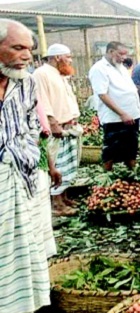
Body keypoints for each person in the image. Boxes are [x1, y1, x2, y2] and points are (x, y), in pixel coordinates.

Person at [0, 18, 51, 313]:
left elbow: (33, 123)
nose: (26, 56)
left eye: (29, 49)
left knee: (27, 251)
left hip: (25, 179)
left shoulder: (26, 82)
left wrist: (30, 157)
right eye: (17, 47)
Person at [33, 43, 81, 217]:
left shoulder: (61, 74)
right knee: (57, 165)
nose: (69, 60)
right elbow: (41, 100)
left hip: (68, 125)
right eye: (67, 57)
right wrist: (52, 123)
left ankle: (65, 197)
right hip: (56, 127)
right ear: (57, 57)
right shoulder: (41, 73)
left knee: (68, 166)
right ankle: (57, 204)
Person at [88, 41, 140, 171]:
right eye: (121, 54)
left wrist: (138, 106)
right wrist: (122, 113)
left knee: (131, 147)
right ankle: (108, 176)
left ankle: (131, 173)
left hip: (132, 115)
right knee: (111, 149)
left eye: (125, 54)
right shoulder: (99, 68)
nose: (124, 57)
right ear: (111, 51)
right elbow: (102, 94)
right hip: (115, 118)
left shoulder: (121, 67)